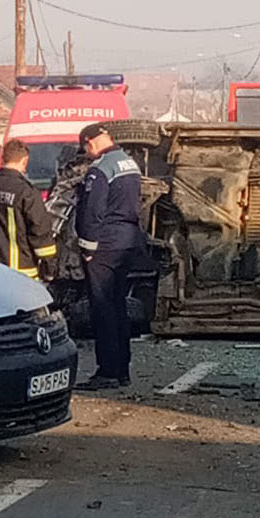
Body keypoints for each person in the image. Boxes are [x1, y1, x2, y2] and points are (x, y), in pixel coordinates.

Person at [73, 123, 144, 390]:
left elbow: (93, 212)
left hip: (106, 244)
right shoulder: (129, 163)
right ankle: (122, 370)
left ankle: (107, 372)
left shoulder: (100, 169)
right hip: (127, 241)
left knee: (102, 308)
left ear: (90, 143)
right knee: (118, 306)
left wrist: (88, 248)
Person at [0, 138, 57, 278]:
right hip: (20, 269)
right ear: (24, 161)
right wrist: (49, 266)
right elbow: (39, 229)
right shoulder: (25, 191)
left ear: (3, 158)